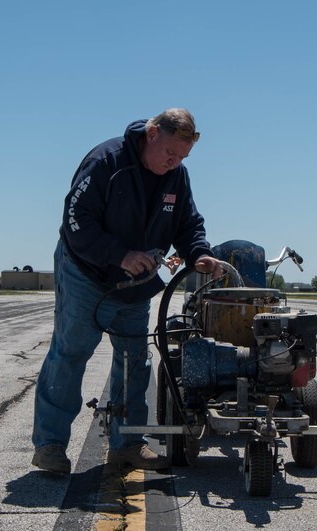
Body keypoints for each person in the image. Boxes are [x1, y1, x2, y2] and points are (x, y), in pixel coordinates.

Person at [31, 108, 222, 474]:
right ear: (152, 133)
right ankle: (50, 445)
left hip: (136, 283)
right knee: (70, 353)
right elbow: (76, 222)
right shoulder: (106, 161)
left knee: (135, 360)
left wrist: (199, 254)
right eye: (171, 153)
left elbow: (188, 224)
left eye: (182, 157)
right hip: (86, 274)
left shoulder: (176, 177)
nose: (174, 162)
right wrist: (119, 255)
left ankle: (127, 446)